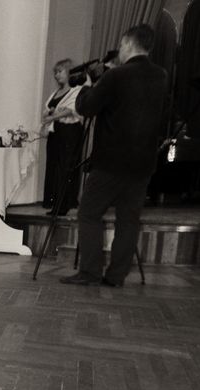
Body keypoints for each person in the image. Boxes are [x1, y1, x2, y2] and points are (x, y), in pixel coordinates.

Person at [60, 24, 167, 287]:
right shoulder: (161, 76)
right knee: (128, 220)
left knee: (88, 213)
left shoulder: (116, 76)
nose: (119, 50)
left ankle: (90, 272)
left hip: (111, 161)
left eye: (121, 45)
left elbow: (86, 108)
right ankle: (116, 276)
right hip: (143, 162)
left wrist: (86, 87)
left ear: (128, 44)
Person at [41, 59, 84, 215]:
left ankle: (64, 204)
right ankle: (54, 203)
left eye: (60, 71)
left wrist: (53, 116)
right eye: (55, 72)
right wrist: (50, 114)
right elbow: (47, 110)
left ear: (69, 72)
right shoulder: (55, 93)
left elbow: (72, 109)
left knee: (65, 166)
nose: (57, 75)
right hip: (56, 132)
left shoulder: (76, 90)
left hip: (69, 131)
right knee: (54, 167)